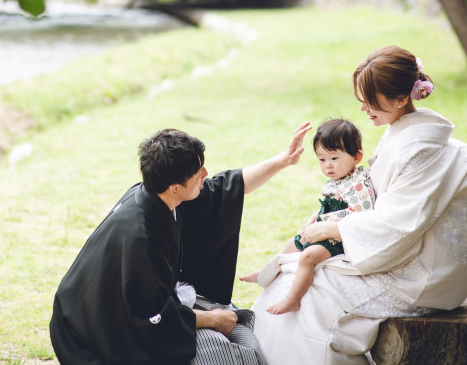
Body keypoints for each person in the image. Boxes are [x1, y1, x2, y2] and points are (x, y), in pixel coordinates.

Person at [250, 45, 467, 364]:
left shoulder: (422, 151)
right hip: (393, 252)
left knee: (309, 299)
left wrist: (331, 228)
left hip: (419, 275)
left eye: (370, 101)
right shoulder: (402, 135)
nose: (363, 109)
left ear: (402, 99)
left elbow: (397, 226)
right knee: (290, 278)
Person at [50, 122, 312, 365]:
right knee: (230, 354)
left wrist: (283, 160)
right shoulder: (142, 236)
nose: (206, 174)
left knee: (236, 324)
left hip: (124, 308)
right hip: (91, 337)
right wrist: (212, 319)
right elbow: (151, 316)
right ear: (175, 187)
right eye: (199, 172)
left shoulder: (160, 194)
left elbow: (228, 186)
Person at [241, 119, 374, 315]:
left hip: (339, 238)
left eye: (334, 158)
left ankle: (293, 299)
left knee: (307, 257)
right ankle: (267, 273)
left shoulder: (358, 184)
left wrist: (326, 225)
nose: (327, 166)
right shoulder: (337, 180)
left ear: (356, 157)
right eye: (322, 159)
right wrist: (314, 219)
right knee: (291, 244)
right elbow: (327, 207)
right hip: (324, 229)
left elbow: (361, 216)